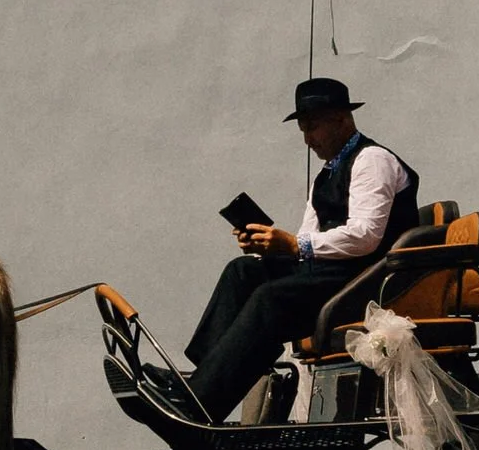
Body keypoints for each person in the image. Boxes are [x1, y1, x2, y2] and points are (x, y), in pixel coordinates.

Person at [177, 77, 420, 422]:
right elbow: (307, 238)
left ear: (342, 119)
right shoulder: (325, 175)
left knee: (271, 298)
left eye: (312, 127)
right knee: (243, 270)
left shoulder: (373, 160)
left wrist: (293, 244)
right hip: (332, 275)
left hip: (365, 282)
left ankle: (201, 403)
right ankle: (200, 383)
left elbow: (366, 236)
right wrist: (268, 245)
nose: (307, 139)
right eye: (302, 129)